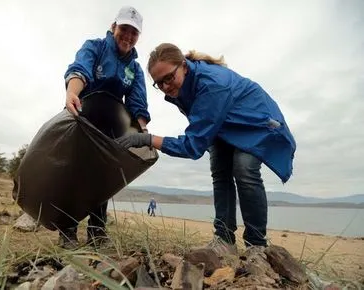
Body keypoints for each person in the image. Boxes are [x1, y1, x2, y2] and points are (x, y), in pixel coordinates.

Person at [117, 43, 296, 249]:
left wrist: (148, 140)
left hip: (258, 121)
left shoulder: (212, 84)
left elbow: (192, 147)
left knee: (244, 168)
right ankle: (224, 239)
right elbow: (201, 128)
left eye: (169, 78)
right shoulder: (183, 84)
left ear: (183, 66)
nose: (166, 86)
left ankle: (256, 245)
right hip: (226, 124)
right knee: (220, 172)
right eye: (159, 83)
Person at [60, 6, 150, 249]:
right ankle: (67, 230)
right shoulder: (95, 46)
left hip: (111, 126)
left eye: (134, 32)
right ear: (114, 27)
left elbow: (137, 102)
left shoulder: (136, 68)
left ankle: (97, 230)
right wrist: (72, 92)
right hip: (83, 117)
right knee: (76, 172)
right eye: (124, 29)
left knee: (104, 176)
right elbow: (80, 69)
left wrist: (141, 132)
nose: (128, 36)